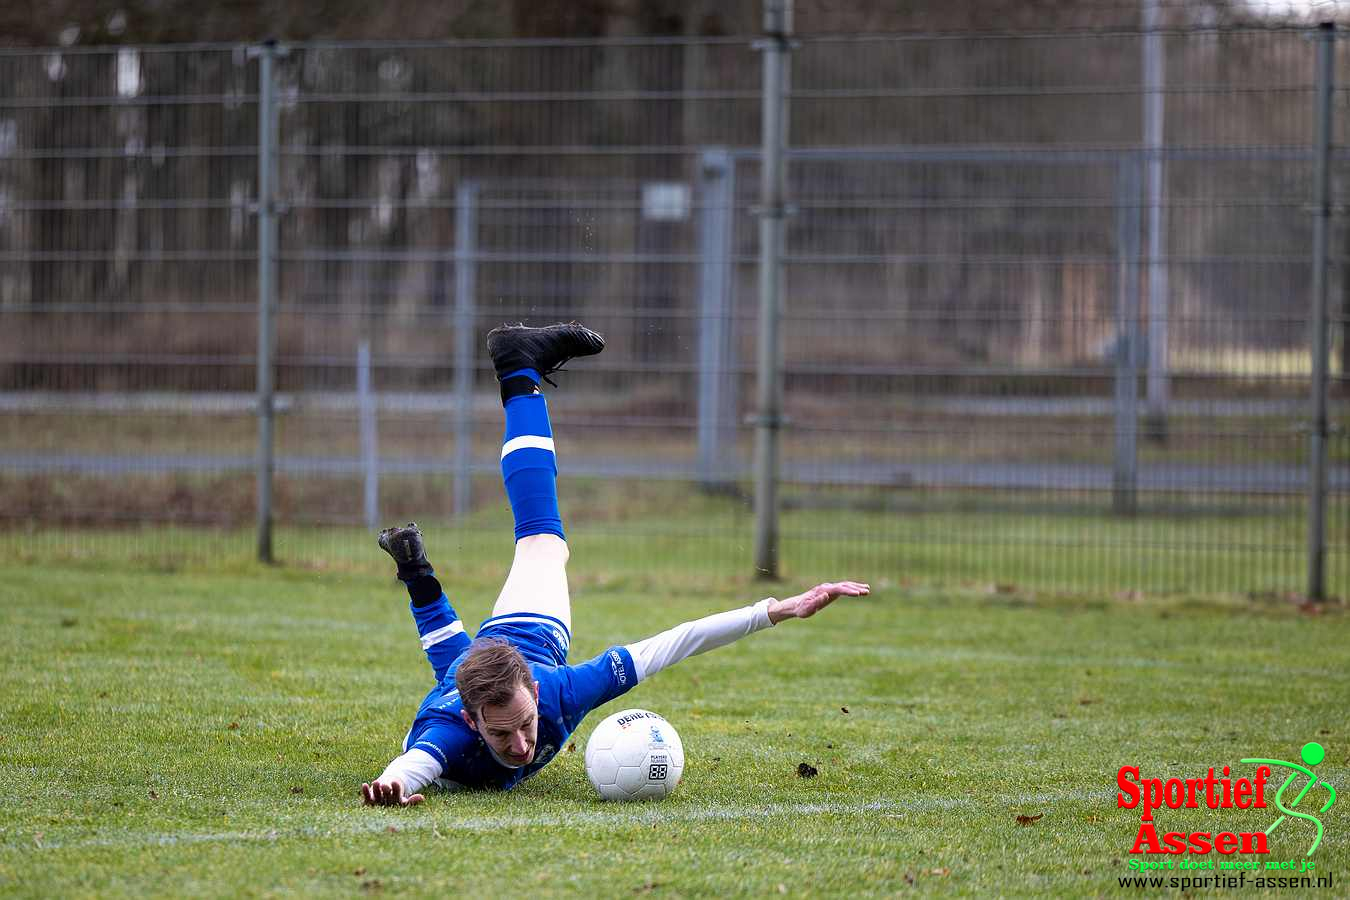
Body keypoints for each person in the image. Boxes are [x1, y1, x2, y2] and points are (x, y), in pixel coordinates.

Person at [362, 323, 870, 805]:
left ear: (535, 691)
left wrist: (776, 610)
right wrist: (390, 784)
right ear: (473, 723)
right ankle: (515, 370)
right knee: (484, 620)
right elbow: (414, 765)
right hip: (471, 681)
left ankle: (423, 569)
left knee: (535, 550)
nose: (520, 744)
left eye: (525, 722)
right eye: (501, 732)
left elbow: (672, 644)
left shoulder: (557, 692)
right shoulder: (447, 735)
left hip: (523, 639)